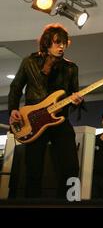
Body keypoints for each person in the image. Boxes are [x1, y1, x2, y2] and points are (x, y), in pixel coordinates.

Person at [8, 23, 83, 199]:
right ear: (47, 43)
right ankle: (31, 204)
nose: (61, 46)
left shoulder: (71, 68)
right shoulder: (29, 62)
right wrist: (12, 110)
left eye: (64, 43)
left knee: (71, 167)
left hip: (60, 121)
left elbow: (73, 94)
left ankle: (70, 202)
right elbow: (16, 87)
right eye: (57, 42)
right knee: (33, 169)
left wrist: (77, 101)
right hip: (33, 120)